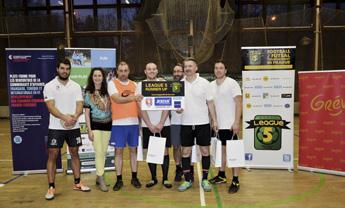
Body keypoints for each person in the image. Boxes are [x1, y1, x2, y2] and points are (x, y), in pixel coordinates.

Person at [43, 58, 90, 200]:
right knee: (53, 155)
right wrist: (65, 118)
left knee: (75, 153)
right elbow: (50, 107)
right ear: (57, 69)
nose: (65, 71)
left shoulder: (75, 86)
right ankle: (51, 187)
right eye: (62, 68)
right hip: (56, 127)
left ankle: (77, 183)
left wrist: (75, 116)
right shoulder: (49, 86)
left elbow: (79, 104)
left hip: (73, 126)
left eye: (67, 69)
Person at [177, 58, 218, 192]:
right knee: (185, 152)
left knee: (205, 151)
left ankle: (205, 179)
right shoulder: (179, 84)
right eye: (186, 66)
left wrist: (215, 120)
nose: (187, 68)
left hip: (203, 123)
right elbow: (177, 104)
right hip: (186, 124)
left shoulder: (205, 83)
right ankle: (188, 180)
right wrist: (177, 109)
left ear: (196, 68)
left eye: (190, 66)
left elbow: (210, 103)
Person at [136, 62, 172, 189]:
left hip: (164, 124)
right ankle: (153, 178)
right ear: (145, 71)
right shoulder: (140, 86)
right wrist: (149, 124)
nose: (151, 71)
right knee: (151, 152)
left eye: (153, 69)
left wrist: (161, 122)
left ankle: (166, 179)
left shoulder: (163, 83)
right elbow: (140, 107)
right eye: (149, 69)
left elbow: (168, 103)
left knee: (165, 151)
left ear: (157, 71)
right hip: (148, 125)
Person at [108, 61, 143, 191]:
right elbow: (117, 99)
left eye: (125, 70)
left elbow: (140, 105)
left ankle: (134, 177)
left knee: (133, 151)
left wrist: (142, 122)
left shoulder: (135, 84)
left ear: (129, 71)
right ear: (117, 71)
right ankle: (119, 179)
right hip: (118, 124)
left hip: (133, 123)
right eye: (121, 70)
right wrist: (133, 97)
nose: (123, 73)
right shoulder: (112, 84)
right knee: (118, 152)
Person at [209, 60, 242, 194]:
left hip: (230, 125)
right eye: (216, 68)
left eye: (221, 68)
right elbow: (211, 104)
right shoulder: (211, 85)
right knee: (221, 151)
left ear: (225, 70)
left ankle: (235, 179)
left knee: (234, 152)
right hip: (219, 125)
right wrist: (213, 120)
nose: (218, 70)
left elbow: (239, 104)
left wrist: (236, 122)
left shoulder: (232, 83)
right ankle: (221, 175)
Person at [84, 67, 112, 192]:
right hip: (95, 125)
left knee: (104, 152)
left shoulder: (107, 91)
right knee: (99, 152)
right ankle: (101, 178)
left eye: (99, 75)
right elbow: (86, 113)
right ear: (92, 77)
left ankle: (98, 176)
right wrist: (89, 130)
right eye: (95, 75)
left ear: (103, 77)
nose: (97, 78)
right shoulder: (88, 92)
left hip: (107, 125)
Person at [170, 63, 184, 182]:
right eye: (175, 71)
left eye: (179, 71)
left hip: (189, 121)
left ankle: (188, 168)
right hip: (174, 122)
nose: (176, 73)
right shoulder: (169, 86)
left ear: (183, 72)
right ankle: (178, 168)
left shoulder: (188, 85)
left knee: (188, 147)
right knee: (176, 146)